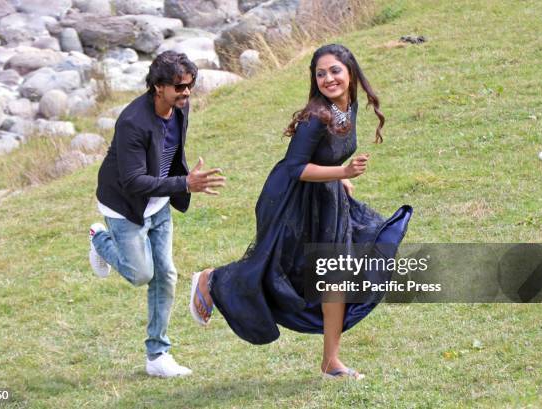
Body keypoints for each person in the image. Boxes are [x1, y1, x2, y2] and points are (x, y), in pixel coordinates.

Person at [189, 44, 412, 379]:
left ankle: (330, 362)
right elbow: (295, 167)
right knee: (279, 270)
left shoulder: (345, 108)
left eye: (334, 70)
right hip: (292, 202)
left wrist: (339, 180)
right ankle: (213, 279)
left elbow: (328, 154)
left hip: (325, 198)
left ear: (350, 71)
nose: (328, 78)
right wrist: (343, 174)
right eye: (320, 73)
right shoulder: (315, 118)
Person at [89, 51, 225, 378]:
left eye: (190, 85)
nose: (187, 92)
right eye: (179, 86)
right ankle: (100, 240)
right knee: (140, 275)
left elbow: (169, 150)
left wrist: (179, 181)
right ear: (158, 86)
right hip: (126, 207)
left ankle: (157, 354)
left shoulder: (179, 107)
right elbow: (133, 181)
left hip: (159, 203)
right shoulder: (132, 122)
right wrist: (185, 183)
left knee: (166, 275)